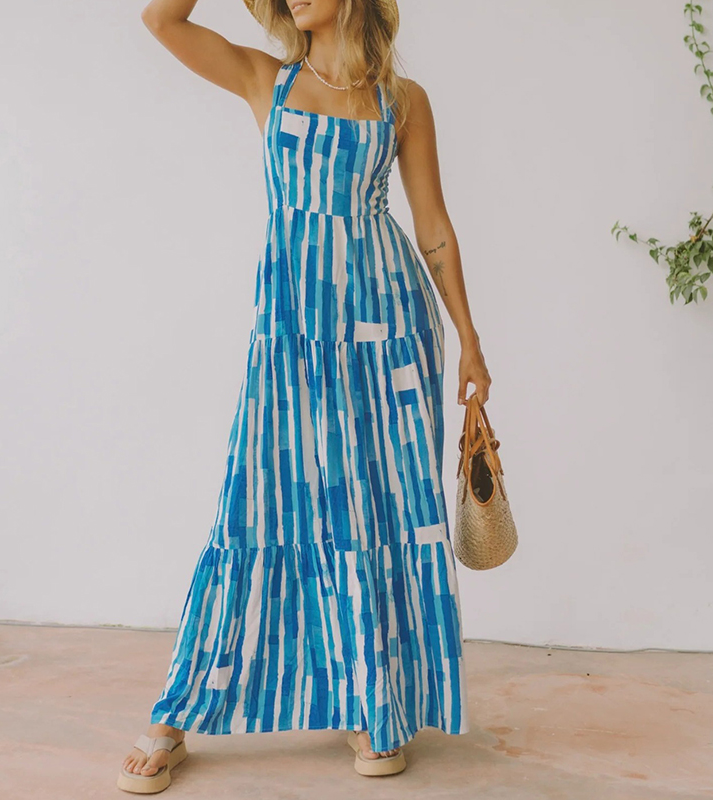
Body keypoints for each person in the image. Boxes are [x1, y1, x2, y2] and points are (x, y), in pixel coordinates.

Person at [118, 0, 492, 792]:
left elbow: (432, 226)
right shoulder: (268, 80)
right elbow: (162, 21)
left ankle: (367, 703)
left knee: (372, 512)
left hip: (389, 328)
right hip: (291, 330)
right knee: (254, 506)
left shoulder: (403, 101)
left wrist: (469, 337)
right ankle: (180, 709)